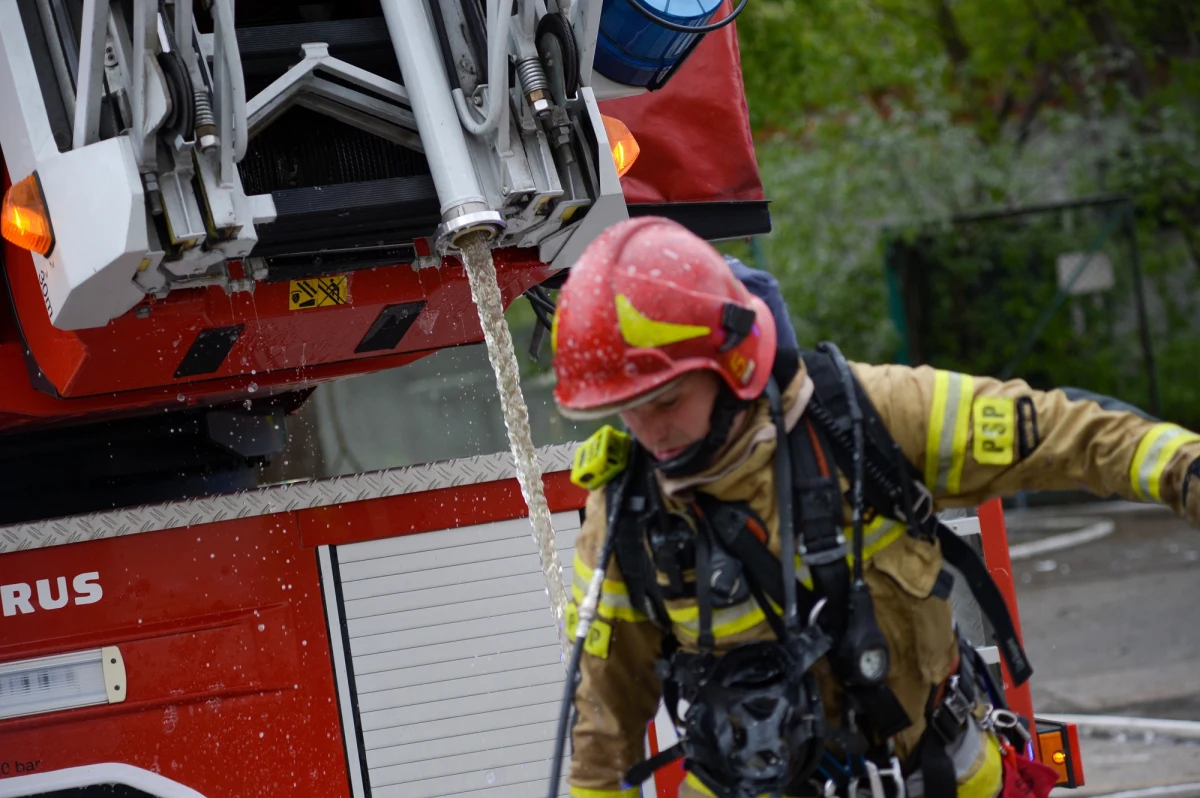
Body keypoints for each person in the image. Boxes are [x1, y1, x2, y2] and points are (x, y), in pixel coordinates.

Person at [549, 216, 1200, 798]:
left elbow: (1064, 434)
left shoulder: (865, 420)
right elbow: (603, 730)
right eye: (625, 409)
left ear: (735, 363)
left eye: (665, 400)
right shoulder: (625, 517)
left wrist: (1185, 472)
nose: (648, 432)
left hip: (940, 775)